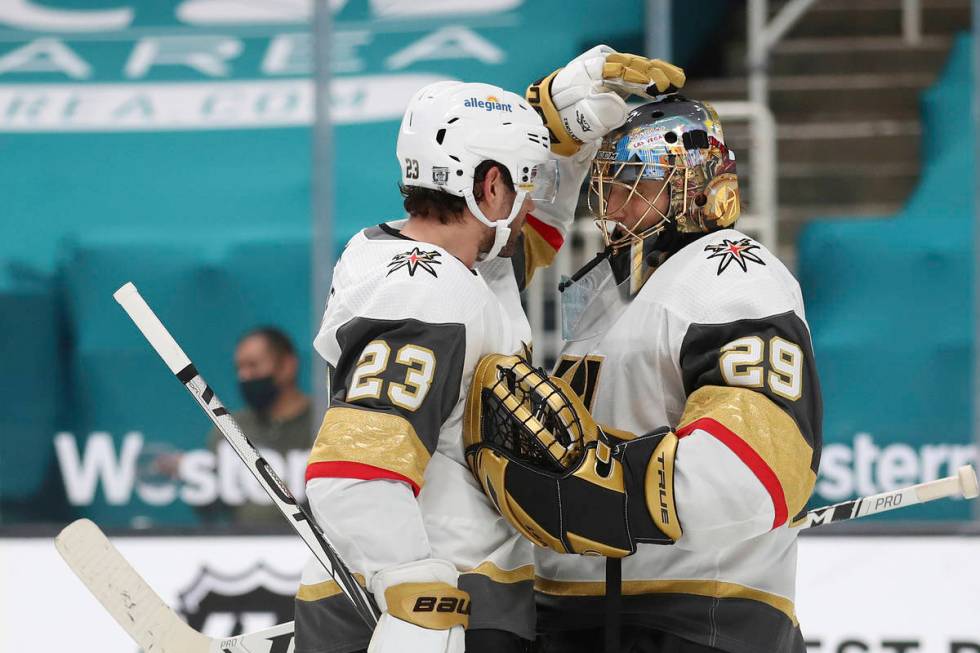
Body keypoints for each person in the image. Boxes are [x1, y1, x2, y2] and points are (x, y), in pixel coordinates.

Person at [292, 50, 686, 653]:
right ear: (490, 184)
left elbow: (523, 243)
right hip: (437, 603)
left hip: (433, 590)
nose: (533, 197)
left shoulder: (434, 265)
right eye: (523, 180)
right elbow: (355, 471)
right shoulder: (428, 293)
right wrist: (411, 586)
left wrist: (566, 123)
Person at [464, 95, 822, 652]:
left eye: (635, 185)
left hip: (695, 622)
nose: (615, 206)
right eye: (609, 186)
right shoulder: (614, 288)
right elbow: (479, 266)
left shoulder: (731, 273)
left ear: (697, 186)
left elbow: (760, 466)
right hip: (580, 614)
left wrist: (604, 490)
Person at [206, 326, 314, 524]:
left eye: (253, 365)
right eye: (240, 368)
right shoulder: (229, 429)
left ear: (287, 366)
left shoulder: (323, 423)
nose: (244, 376)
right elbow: (209, 500)